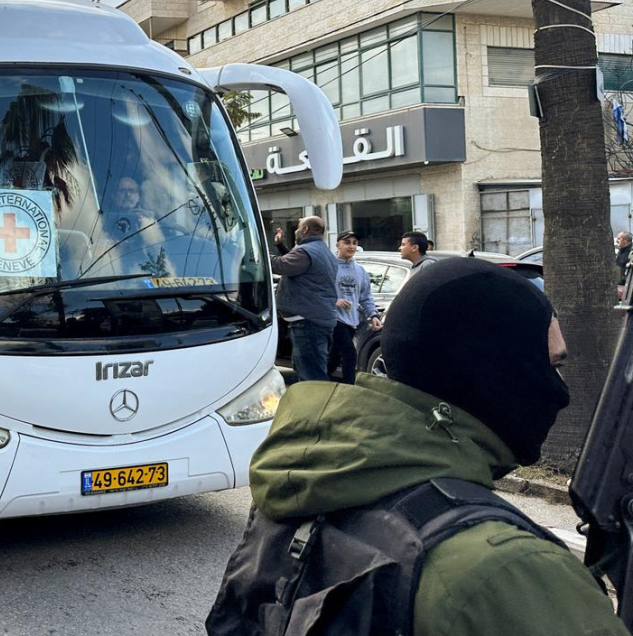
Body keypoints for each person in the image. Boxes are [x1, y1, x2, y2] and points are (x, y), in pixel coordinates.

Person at [205, 258, 629, 636]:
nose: (562, 392)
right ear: (492, 372)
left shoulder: (311, 477)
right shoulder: (511, 569)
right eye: (551, 364)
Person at [272, 217, 339, 382]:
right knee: (309, 372)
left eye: (298, 227)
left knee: (312, 378)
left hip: (308, 323)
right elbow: (296, 264)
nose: (295, 231)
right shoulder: (320, 250)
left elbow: (280, 266)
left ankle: (317, 407)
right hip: (315, 320)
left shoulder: (306, 251)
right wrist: (280, 246)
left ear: (305, 230)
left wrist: (255, 252)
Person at [327, 231, 382, 384]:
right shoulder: (329, 267)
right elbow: (318, 291)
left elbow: (365, 297)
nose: (351, 246)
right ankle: (350, 388)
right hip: (333, 319)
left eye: (354, 243)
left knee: (334, 357)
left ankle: (318, 382)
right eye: (347, 242)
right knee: (350, 353)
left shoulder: (360, 271)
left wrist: (374, 316)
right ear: (338, 245)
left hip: (352, 320)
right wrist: (334, 300)